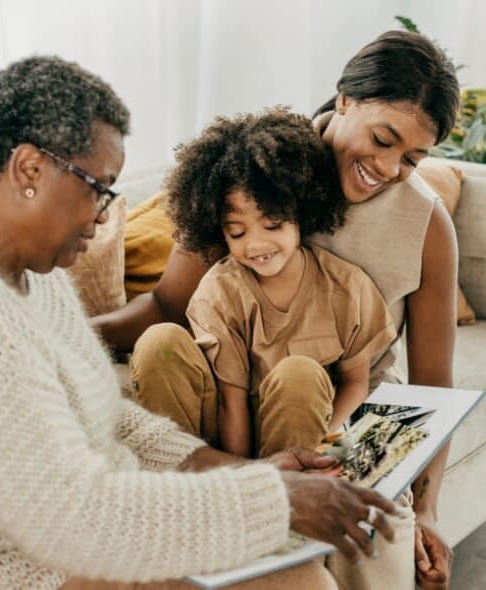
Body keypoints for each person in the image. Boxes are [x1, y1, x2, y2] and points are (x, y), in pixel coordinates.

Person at [0, 56, 399, 590]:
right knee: (299, 582)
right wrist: (273, 500)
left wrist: (247, 474)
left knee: (323, 558)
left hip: (71, 535)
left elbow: (105, 414)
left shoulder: (24, 268)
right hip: (21, 568)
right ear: (29, 169)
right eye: (98, 190)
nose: (103, 217)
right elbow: (77, 517)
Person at [92, 30, 460, 590]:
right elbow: (167, 305)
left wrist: (428, 509)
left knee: (381, 548)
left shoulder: (426, 225)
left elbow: (432, 387)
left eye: (412, 158)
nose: (388, 167)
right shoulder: (255, 168)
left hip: (344, 426)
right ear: (345, 99)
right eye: (382, 139)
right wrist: (73, 335)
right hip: (226, 403)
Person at [139, 108, 396, 460]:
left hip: (301, 436)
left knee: (299, 372)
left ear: (300, 213)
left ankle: (289, 486)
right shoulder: (219, 292)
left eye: (273, 225)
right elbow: (231, 403)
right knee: (158, 341)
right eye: (237, 233)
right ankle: (181, 476)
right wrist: (245, 476)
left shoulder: (347, 287)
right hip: (222, 444)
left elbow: (355, 383)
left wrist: (326, 447)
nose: (257, 245)